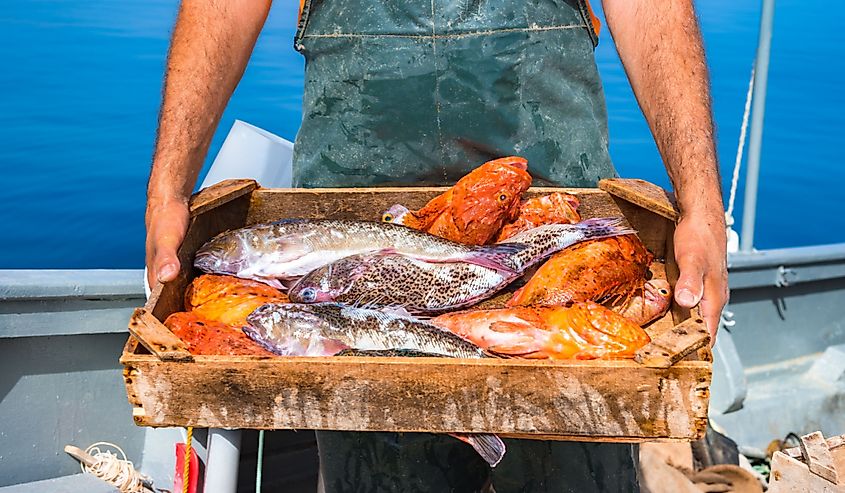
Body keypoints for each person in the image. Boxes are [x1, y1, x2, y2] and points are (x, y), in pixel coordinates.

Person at [145, 0, 728, 491]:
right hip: (355, 188)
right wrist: (169, 186)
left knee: (573, 458)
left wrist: (701, 202)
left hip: (547, 190)